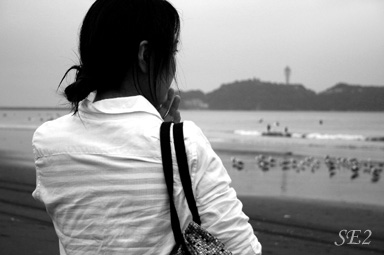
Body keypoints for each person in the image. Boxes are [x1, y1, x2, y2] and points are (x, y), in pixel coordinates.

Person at [32, 0, 262, 254]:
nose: (173, 69)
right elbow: (244, 250)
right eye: (172, 52)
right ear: (146, 55)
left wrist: (162, 134)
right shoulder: (184, 144)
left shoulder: (48, 143)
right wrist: (169, 138)